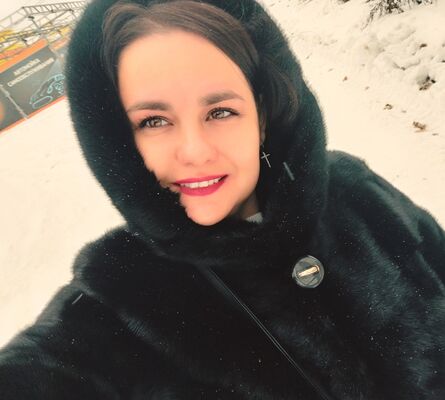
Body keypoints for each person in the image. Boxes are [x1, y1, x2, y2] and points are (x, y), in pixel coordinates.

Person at [0, 0, 443, 398]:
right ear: (122, 141)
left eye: (220, 112)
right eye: (154, 121)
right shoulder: (113, 300)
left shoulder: (355, 190)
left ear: (261, 116)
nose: (194, 151)